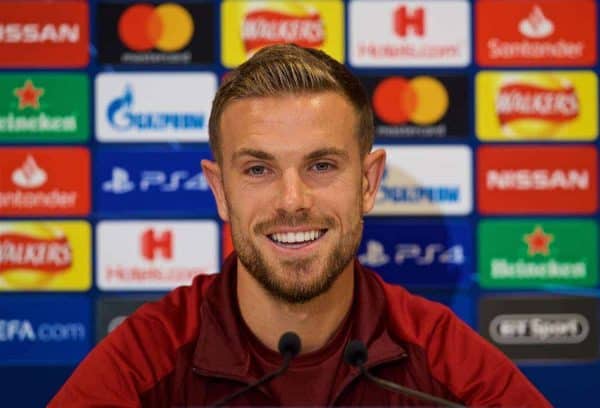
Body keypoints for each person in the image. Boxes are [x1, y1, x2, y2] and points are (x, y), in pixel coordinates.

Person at [50, 44, 551, 407]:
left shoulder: (443, 359)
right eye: (258, 170)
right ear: (221, 191)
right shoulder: (147, 359)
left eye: (322, 166)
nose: (292, 201)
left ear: (369, 183)